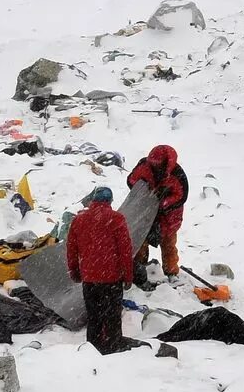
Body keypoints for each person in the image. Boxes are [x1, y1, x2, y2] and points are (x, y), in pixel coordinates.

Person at [66, 186, 139, 354]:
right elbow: (125, 251)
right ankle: (113, 348)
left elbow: (71, 250)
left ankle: (93, 350)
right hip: (112, 279)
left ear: (93, 200)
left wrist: (75, 271)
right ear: (110, 201)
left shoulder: (79, 220)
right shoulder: (117, 219)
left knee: (94, 317)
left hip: (90, 279)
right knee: (112, 317)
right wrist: (128, 276)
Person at [126, 144, 189, 287]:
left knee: (168, 245)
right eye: (152, 164)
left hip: (169, 219)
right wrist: (145, 190)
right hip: (146, 214)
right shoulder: (144, 165)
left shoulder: (177, 174)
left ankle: (171, 272)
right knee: (140, 242)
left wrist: (163, 202)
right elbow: (131, 180)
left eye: (157, 165)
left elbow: (181, 196)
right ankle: (139, 269)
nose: (154, 167)